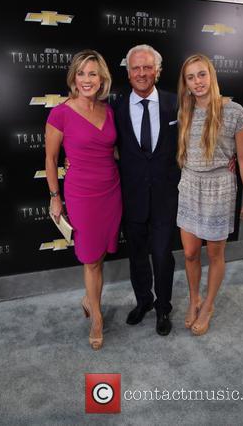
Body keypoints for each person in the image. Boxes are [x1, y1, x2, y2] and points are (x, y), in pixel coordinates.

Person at [45, 49, 122, 350]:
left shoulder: (109, 110)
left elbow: (110, 149)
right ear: (73, 78)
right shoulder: (60, 113)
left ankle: (88, 299)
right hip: (82, 195)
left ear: (102, 78)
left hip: (111, 191)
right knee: (91, 259)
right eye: (81, 73)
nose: (87, 79)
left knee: (99, 256)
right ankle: (97, 318)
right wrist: (55, 197)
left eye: (93, 73)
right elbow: (51, 159)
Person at [177, 53, 243, 336]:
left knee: (215, 254)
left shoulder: (234, 112)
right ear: (185, 83)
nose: (197, 81)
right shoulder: (184, 112)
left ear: (211, 76)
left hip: (219, 188)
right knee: (189, 253)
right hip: (189, 186)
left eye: (201, 74)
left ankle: (208, 305)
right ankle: (194, 297)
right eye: (190, 77)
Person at [114, 44, 180, 336]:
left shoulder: (175, 104)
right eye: (135, 68)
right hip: (132, 197)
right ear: (128, 73)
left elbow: (197, 137)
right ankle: (145, 301)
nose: (142, 73)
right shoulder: (114, 107)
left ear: (158, 70)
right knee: (137, 255)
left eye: (147, 67)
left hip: (166, 196)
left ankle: (164, 307)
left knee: (163, 255)